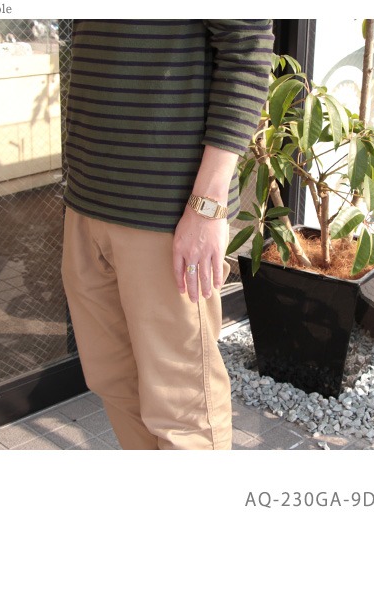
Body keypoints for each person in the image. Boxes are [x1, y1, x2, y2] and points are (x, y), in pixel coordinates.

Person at [61, 19, 274, 449]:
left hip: (167, 213)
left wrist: (207, 207)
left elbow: (248, 47)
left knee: (183, 410)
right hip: (87, 201)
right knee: (114, 381)